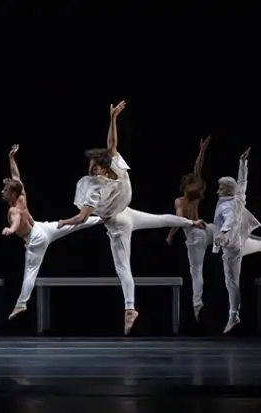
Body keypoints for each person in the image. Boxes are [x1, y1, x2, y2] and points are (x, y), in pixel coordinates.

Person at [58, 101, 205, 335]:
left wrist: (64, 222)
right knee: (160, 219)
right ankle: (192, 222)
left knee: (123, 267)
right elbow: (112, 144)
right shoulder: (115, 166)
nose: (90, 170)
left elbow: (82, 217)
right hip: (125, 213)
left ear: (103, 169)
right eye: (90, 166)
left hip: (118, 224)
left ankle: (129, 309)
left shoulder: (95, 187)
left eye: (93, 167)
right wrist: (113, 118)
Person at [0, 144, 103, 320]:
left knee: (30, 272)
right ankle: (104, 218)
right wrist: (11, 158)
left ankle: (21, 304)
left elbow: (16, 222)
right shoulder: (21, 195)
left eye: (5, 190)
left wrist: (11, 229)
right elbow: (16, 176)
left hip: (35, 238)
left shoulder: (13, 210)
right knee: (73, 225)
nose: (2, 192)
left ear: (12, 194)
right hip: (41, 228)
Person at [213, 147, 261, 334]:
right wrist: (243, 163)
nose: (217, 191)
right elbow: (242, 183)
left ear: (227, 191)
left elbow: (230, 220)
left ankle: (234, 315)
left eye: (220, 188)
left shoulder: (227, 206)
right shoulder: (238, 198)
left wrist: (222, 234)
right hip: (241, 241)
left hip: (232, 248)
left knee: (231, 283)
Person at [166, 136, 214, 320]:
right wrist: (202, 150)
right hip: (205, 230)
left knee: (196, 270)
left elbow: (179, 221)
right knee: (227, 233)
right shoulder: (192, 198)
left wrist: (170, 236)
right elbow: (198, 169)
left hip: (197, 235)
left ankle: (197, 304)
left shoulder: (182, 200)